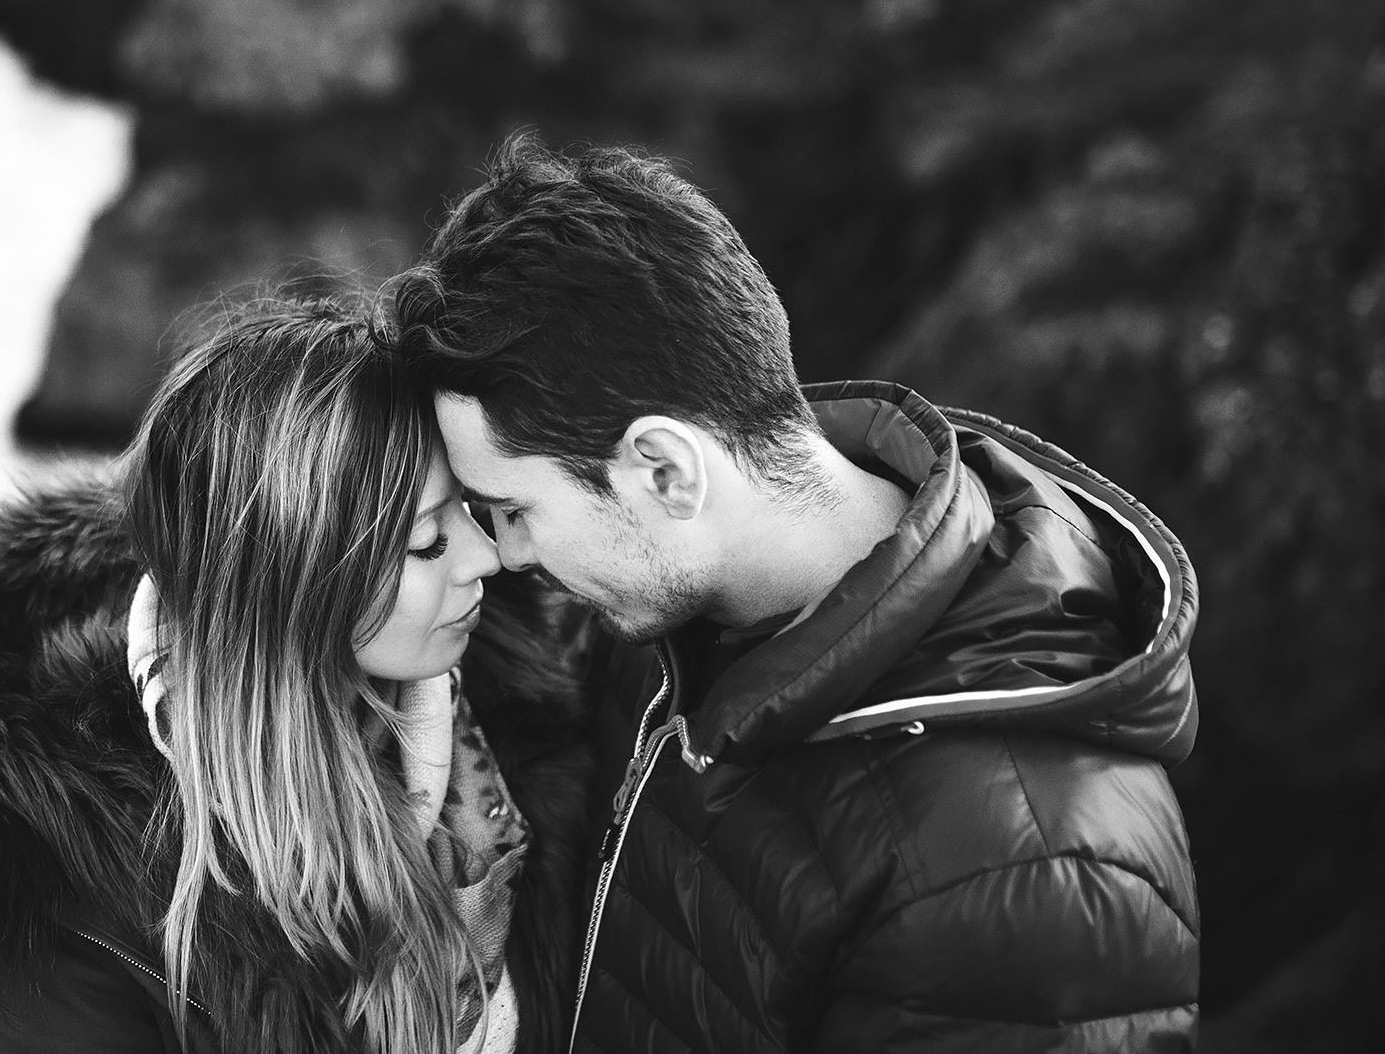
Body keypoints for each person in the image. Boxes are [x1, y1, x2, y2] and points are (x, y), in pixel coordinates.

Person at [389, 133, 1201, 1052]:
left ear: (663, 472)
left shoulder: (1019, 867)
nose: (504, 554)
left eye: (513, 509)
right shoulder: (666, 620)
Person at [0, 300, 594, 1053]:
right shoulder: (45, 881)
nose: (489, 558)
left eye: (469, 511)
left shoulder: (542, 688)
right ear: (294, 588)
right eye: (429, 541)